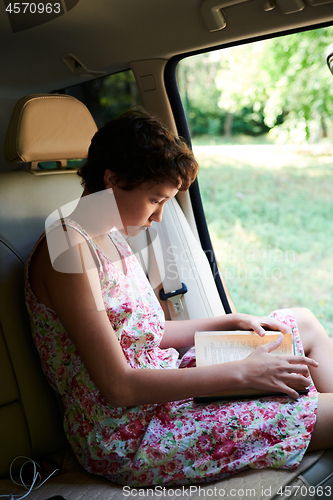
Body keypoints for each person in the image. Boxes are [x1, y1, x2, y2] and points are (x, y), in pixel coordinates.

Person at [25, 108, 333, 488]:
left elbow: (145, 334)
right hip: (131, 429)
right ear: (113, 180)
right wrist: (242, 372)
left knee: (299, 320)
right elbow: (118, 387)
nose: (159, 216)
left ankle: (313, 414)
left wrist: (229, 321)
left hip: (163, 384)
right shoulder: (68, 250)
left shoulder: (111, 233)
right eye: (155, 199)